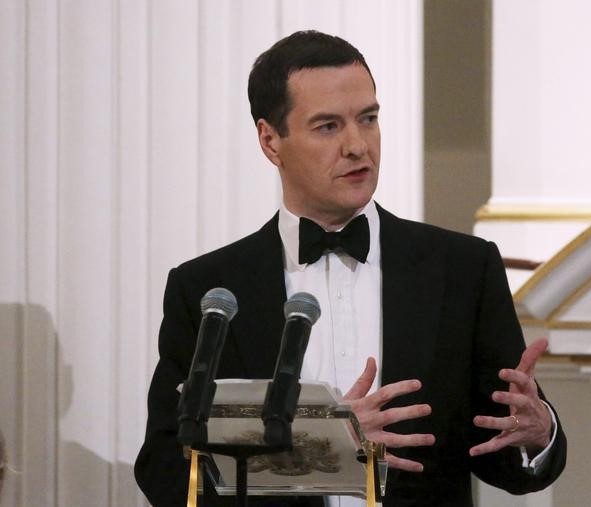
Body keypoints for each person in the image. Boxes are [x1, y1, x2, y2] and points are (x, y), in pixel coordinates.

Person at [135, 30, 566, 507]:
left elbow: (503, 456)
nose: (358, 146)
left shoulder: (463, 269)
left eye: (369, 118)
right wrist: (321, 447)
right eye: (328, 126)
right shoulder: (208, 289)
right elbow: (165, 471)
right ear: (270, 140)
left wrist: (538, 431)